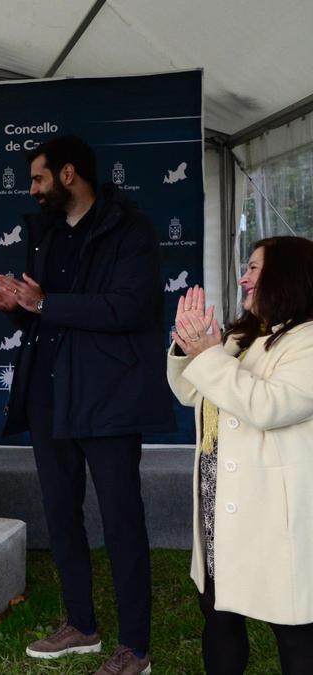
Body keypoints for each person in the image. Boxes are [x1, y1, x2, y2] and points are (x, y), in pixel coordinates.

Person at [0, 135, 173, 675]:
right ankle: (81, 626)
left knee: (121, 521)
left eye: (39, 178)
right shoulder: (44, 233)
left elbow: (130, 308)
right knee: (62, 515)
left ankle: (135, 648)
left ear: (68, 175)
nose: (33, 190)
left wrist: (44, 302)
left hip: (109, 397)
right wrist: (18, 306)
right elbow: (50, 313)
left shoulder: (128, 228)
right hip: (50, 394)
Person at [166, 237, 313, 674]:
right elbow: (192, 391)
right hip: (222, 505)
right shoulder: (245, 336)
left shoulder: (307, 341)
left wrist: (208, 354)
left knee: (295, 632)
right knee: (219, 616)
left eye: (253, 268)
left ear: (288, 275)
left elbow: (267, 406)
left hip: (274, 515)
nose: (242, 278)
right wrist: (188, 347)